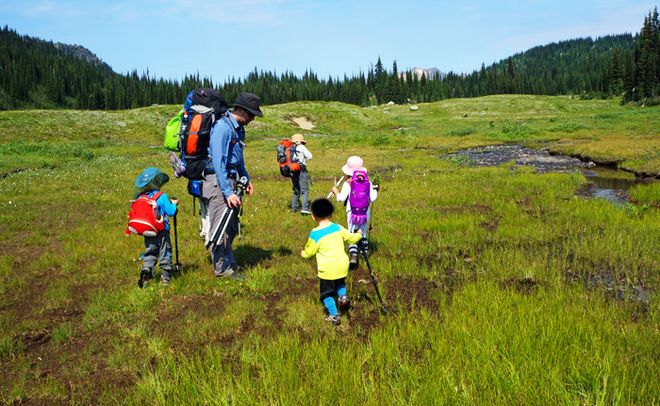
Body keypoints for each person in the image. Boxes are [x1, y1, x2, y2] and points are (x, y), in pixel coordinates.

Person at [202, 92, 262, 279]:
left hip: (231, 179)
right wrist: (227, 192)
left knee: (231, 227)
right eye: (251, 114)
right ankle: (222, 270)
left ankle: (230, 264)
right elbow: (218, 161)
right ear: (241, 110)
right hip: (218, 182)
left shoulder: (237, 128)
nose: (252, 119)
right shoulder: (223, 127)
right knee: (220, 227)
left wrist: (246, 177)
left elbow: (238, 157)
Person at [301, 197, 363, 326]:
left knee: (326, 294)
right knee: (340, 283)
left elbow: (309, 252)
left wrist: (303, 253)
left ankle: (334, 315)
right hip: (342, 266)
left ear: (313, 216)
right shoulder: (337, 227)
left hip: (327, 270)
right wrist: (359, 234)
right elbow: (352, 239)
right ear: (332, 214)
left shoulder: (315, 234)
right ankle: (343, 296)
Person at [331, 156, 379, 270]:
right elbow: (372, 199)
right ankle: (364, 255)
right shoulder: (368, 183)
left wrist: (335, 192)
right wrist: (375, 189)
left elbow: (341, 198)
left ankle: (353, 256)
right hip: (364, 213)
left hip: (351, 213)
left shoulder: (348, 183)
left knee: (352, 233)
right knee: (363, 233)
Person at [134, 168, 179, 287]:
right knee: (165, 251)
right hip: (161, 229)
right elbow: (170, 212)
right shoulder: (161, 196)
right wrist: (174, 204)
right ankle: (166, 278)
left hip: (147, 230)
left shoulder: (140, 196)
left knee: (150, 251)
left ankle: (147, 270)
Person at [289, 133, 313, 215]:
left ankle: (293, 208)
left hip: (292, 170)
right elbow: (310, 156)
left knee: (296, 190)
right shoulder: (301, 147)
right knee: (305, 190)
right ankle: (305, 208)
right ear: (300, 141)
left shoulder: (289, 149)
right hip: (300, 170)